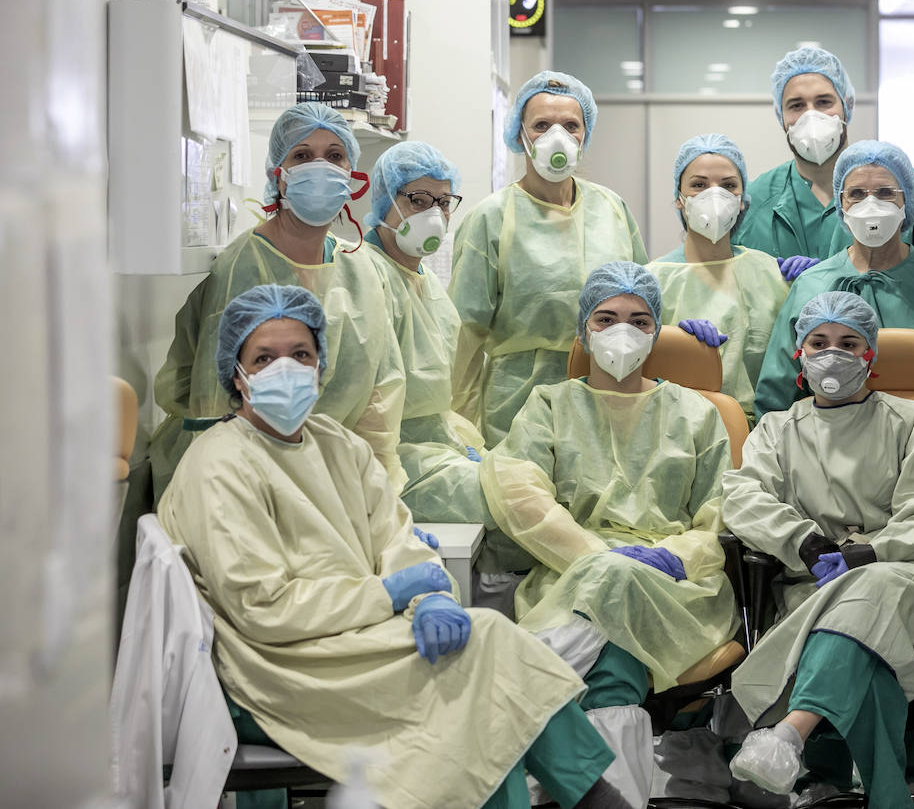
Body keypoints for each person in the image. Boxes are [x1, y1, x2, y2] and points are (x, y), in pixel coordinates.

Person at [158, 284, 633, 809]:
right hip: (278, 665)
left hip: (350, 639)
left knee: (481, 665)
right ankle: (599, 799)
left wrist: (428, 595)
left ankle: (595, 798)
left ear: (321, 366)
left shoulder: (335, 443)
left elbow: (396, 534)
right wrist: (388, 593)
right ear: (236, 374)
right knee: (480, 671)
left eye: (300, 354)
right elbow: (261, 608)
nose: (285, 370)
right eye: (264, 358)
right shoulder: (219, 464)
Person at [479, 261, 738, 807]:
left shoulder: (697, 413)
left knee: (608, 622)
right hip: (573, 579)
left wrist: (676, 555)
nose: (623, 330)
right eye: (606, 318)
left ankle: (515, 694)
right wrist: (600, 556)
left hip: (678, 588)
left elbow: (723, 511)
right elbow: (520, 496)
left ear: (656, 331)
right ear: (583, 330)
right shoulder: (550, 405)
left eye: (640, 320)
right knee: (614, 679)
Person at [721, 292, 914, 807]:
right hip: (816, 589)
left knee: (873, 587)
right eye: (818, 342)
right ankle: (891, 794)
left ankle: (795, 735)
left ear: (871, 355)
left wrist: (870, 551)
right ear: (799, 354)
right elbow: (742, 498)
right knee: (867, 633)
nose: (832, 354)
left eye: (849, 343)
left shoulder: (911, 419)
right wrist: (800, 538)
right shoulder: (777, 430)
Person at [148, 102, 406, 499]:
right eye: (303, 156)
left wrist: (379, 493)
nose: (320, 167)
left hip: (336, 474)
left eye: (334, 156)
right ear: (279, 176)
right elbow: (215, 406)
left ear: (351, 173)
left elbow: (381, 394)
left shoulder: (362, 268)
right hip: (247, 480)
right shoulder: (243, 267)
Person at [448, 71, 648, 448]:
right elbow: (464, 337)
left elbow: (645, 306)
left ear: (585, 134)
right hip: (517, 407)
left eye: (571, 125)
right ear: (520, 135)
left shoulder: (612, 209)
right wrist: (462, 429)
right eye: (541, 125)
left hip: (606, 393)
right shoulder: (492, 218)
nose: (557, 136)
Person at [753, 140, 914, 419]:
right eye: (857, 194)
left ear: (906, 200)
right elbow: (776, 396)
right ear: (841, 204)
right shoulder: (811, 285)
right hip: (830, 442)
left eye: (886, 193)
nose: (871, 204)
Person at [361, 141, 490, 528]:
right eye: (418, 200)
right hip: (390, 461)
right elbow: (368, 400)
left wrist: (458, 440)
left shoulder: (427, 281)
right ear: (385, 199)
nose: (434, 214)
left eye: (444, 202)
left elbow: (434, 397)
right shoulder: (364, 274)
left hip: (430, 449)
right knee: (514, 495)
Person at [734, 47, 914, 281]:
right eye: (796, 105)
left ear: (847, 106)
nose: (811, 117)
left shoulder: (909, 192)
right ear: (780, 116)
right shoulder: (753, 203)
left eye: (824, 102)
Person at [648, 133, 790, 424]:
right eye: (699, 185)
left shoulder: (771, 274)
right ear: (679, 198)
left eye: (728, 186)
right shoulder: (651, 280)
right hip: (678, 430)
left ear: (741, 200)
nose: (714, 196)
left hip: (765, 432)